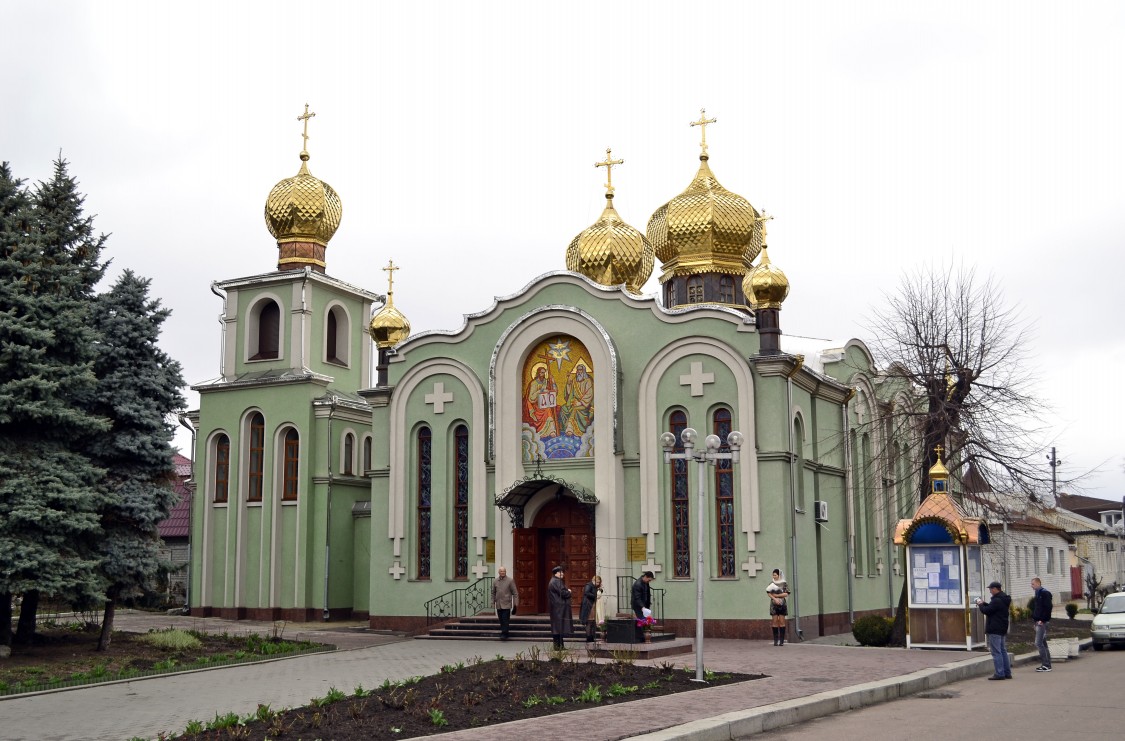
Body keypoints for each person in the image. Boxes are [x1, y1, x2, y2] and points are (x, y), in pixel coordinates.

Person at [976, 580, 1012, 680]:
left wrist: (980, 604)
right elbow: (993, 608)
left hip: (994, 629)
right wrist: (985, 603)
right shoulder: (1003, 599)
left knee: (996, 652)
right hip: (1002, 628)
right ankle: (1007, 672)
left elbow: (986, 611)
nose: (990, 591)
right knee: (1003, 651)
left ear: (996, 589)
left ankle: (999, 673)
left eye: (991, 589)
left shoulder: (996, 600)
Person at [1031, 576, 1053, 672]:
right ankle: (1047, 664)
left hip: (1042, 622)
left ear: (1038, 583)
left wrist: (1042, 620)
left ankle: (1046, 664)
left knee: (1038, 643)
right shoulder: (1038, 593)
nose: (1031, 586)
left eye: (1033, 584)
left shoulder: (1044, 593)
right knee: (1043, 642)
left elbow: (1048, 608)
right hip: (1038, 621)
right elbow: (1038, 609)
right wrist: (1035, 620)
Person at [547, 565, 573, 649]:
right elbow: (563, 593)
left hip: (556, 607)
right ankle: (558, 646)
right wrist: (569, 592)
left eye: (562, 572)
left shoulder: (554, 581)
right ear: (556, 573)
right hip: (559, 607)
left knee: (557, 627)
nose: (562, 574)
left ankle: (559, 646)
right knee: (558, 627)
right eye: (560, 572)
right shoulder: (556, 581)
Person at [491, 566, 519, 641]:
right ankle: (504, 631)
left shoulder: (510, 581)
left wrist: (516, 604)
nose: (502, 573)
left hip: (506, 604)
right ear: (499, 572)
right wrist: (492, 602)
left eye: (504, 571)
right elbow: (493, 593)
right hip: (498, 604)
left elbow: (515, 593)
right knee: (501, 619)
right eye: (501, 571)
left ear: (505, 572)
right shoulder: (495, 581)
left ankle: (504, 633)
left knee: (505, 619)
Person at [766, 569, 790, 646]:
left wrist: (777, 596)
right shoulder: (771, 583)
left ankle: (782, 641)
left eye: (775, 575)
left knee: (782, 622)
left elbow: (786, 594)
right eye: (773, 575)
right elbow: (769, 593)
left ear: (779, 575)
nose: (774, 576)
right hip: (774, 604)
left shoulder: (784, 583)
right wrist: (775, 599)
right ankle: (776, 640)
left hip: (782, 604)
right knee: (775, 621)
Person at [579, 574, 603, 645]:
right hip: (588, 606)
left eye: (599, 582)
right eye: (597, 582)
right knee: (589, 622)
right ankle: (588, 637)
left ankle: (591, 637)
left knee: (592, 622)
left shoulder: (595, 586)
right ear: (593, 580)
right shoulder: (589, 585)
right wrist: (595, 596)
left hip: (592, 605)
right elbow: (586, 593)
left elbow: (598, 593)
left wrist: (600, 589)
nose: (598, 584)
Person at [631, 571, 655, 642]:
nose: (649, 581)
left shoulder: (645, 583)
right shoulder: (637, 584)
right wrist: (642, 607)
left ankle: (644, 636)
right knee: (641, 620)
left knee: (645, 620)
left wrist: (647, 605)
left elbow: (647, 593)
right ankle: (641, 638)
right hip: (638, 606)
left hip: (644, 605)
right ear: (645, 577)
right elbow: (637, 598)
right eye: (649, 580)